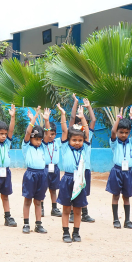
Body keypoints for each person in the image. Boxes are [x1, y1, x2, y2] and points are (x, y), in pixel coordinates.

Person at [57, 102, 89, 243]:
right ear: (69, 140)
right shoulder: (65, 148)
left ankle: (76, 232)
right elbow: (64, 131)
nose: (77, 142)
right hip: (68, 179)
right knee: (66, 209)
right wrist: (63, 114)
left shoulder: (85, 148)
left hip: (80, 181)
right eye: (74, 140)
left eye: (80, 140)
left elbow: (87, 133)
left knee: (77, 209)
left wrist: (82, 118)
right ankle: (65, 232)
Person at [106, 107, 132, 229]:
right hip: (117, 171)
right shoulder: (114, 143)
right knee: (115, 196)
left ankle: (127, 221)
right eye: (121, 132)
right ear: (118, 132)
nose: (123, 135)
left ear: (129, 133)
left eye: (126, 133)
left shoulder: (131, 142)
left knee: (126, 197)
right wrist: (118, 118)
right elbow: (112, 131)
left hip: (128, 173)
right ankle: (116, 220)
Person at [21, 107, 49, 234]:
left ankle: (38, 224)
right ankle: (26, 224)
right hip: (30, 175)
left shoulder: (43, 146)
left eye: (40, 139)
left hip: (42, 175)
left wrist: (46, 121)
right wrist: (34, 118)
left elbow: (47, 135)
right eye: (36, 139)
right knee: (27, 200)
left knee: (38, 201)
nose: (38, 142)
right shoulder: (26, 146)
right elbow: (28, 132)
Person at [69, 96, 97, 224]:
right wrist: (75, 103)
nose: (81, 125)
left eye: (83, 123)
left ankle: (84, 213)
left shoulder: (87, 137)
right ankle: (71, 213)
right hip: (74, 169)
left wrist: (89, 107)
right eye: (79, 123)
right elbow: (71, 119)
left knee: (83, 191)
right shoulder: (72, 136)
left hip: (85, 168)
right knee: (72, 189)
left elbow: (93, 120)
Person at [41, 115, 61, 218]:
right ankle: (41, 208)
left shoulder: (57, 142)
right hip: (44, 168)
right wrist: (46, 120)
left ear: (55, 135)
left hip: (55, 168)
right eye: (48, 134)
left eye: (52, 134)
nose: (50, 136)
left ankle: (54, 208)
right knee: (42, 189)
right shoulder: (42, 144)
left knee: (53, 189)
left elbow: (66, 133)